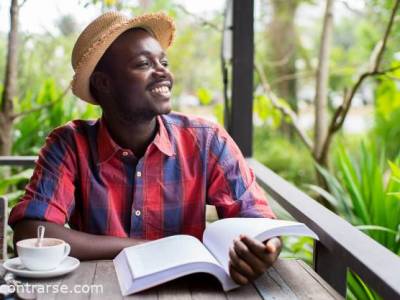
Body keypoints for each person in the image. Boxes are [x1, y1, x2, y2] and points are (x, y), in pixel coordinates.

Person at [9, 11, 282, 285]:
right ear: (103, 83)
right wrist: (152, 250)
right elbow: (32, 231)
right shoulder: (70, 144)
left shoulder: (207, 139)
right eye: (143, 64)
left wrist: (266, 249)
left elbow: (260, 222)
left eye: (163, 61)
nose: (163, 71)